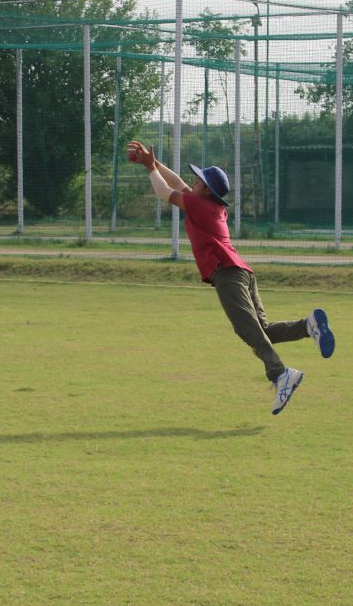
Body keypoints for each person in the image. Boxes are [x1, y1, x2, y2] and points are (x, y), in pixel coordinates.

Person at [127, 140, 334, 416]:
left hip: (227, 275)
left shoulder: (200, 206)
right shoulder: (210, 206)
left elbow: (164, 191)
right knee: (262, 331)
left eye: (198, 181)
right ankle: (308, 326)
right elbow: (176, 183)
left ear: (207, 190)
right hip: (242, 272)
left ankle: (280, 374)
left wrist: (150, 167)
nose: (192, 182)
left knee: (247, 329)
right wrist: (152, 163)